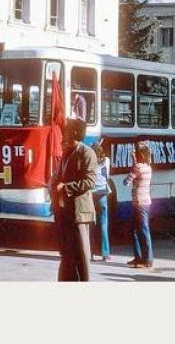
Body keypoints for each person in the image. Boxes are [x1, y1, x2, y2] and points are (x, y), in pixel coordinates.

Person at [50, 118, 97, 281]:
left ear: (75, 133)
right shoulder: (66, 153)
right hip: (64, 212)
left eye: (68, 130)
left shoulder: (87, 153)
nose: (65, 134)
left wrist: (66, 187)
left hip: (79, 212)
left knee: (81, 253)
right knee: (66, 252)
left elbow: (90, 181)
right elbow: (57, 176)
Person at [124, 141, 154, 268]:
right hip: (145, 201)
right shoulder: (148, 167)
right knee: (139, 230)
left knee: (140, 230)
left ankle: (146, 259)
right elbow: (138, 169)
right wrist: (134, 159)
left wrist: (133, 163)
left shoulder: (138, 168)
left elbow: (127, 181)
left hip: (139, 202)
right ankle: (140, 258)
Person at [90, 142, 112, 262]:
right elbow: (107, 176)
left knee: (91, 223)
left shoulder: (89, 161)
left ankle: (90, 253)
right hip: (103, 192)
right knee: (104, 223)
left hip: (92, 193)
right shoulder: (106, 161)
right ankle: (105, 253)